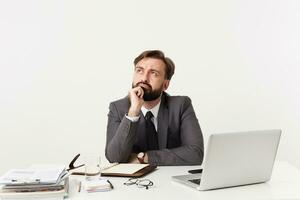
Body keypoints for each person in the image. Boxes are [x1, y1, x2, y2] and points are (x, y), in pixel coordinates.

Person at [105, 50, 204, 166]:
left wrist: (144, 157)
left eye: (154, 73)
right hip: (132, 183)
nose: (144, 78)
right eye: (139, 71)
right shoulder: (117, 108)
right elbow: (114, 157)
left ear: (165, 85)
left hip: (170, 180)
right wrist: (133, 112)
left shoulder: (181, 105)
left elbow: (195, 154)